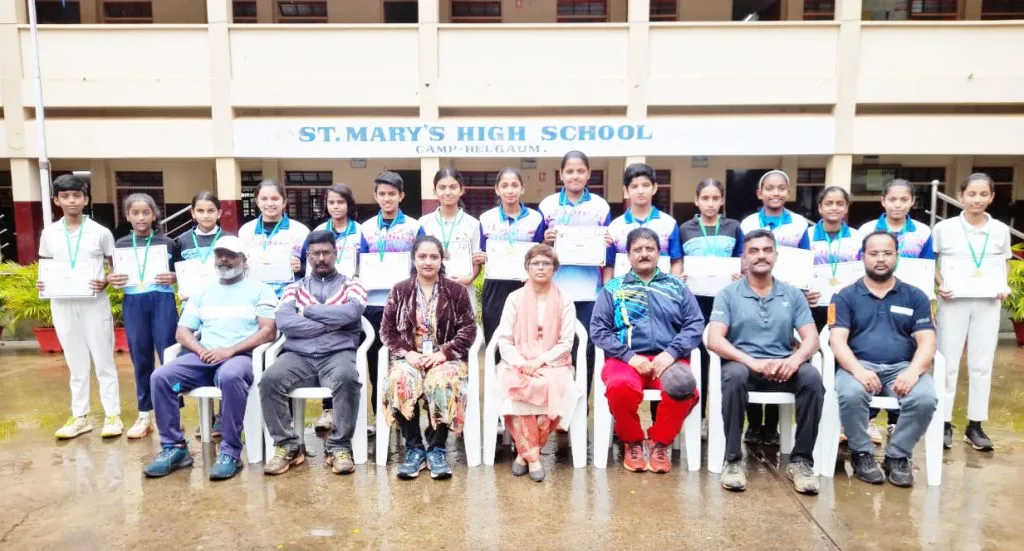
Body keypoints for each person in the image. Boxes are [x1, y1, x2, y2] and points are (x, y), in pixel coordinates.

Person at [144, 236, 277, 481]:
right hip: (203, 357)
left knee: (230, 376)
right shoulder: (203, 291)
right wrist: (198, 348)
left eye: (231, 255)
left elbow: (268, 330)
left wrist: (230, 351)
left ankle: (230, 452)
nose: (225, 260)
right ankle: (174, 448)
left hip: (240, 357)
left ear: (243, 260)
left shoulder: (261, 289)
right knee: (161, 377)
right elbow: (182, 331)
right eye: (220, 255)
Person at [707, 229, 823, 494]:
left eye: (767, 250)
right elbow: (715, 339)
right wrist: (752, 363)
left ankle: (802, 461)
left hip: (784, 367)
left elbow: (811, 338)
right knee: (733, 376)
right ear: (744, 258)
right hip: (745, 367)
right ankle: (733, 460)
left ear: (776, 255)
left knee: (812, 378)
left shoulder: (792, 294)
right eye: (754, 251)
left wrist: (795, 360)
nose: (761, 256)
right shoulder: (728, 294)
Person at [590, 228, 704, 474]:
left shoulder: (676, 286)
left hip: (669, 359)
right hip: (625, 359)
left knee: (685, 388)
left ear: (659, 253)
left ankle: (660, 442)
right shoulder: (613, 288)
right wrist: (630, 357)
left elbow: (695, 324)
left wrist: (672, 353)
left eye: (649, 249)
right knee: (619, 386)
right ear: (628, 255)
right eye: (638, 250)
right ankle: (632, 441)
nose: (644, 254)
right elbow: (599, 330)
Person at [830, 231, 938, 487]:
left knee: (925, 398)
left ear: (897, 256)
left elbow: (928, 341)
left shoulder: (916, 296)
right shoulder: (845, 296)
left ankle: (897, 456)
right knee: (851, 394)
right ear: (862, 257)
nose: (881, 259)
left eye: (887, 253)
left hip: (901, 367)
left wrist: (913, 372)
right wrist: (858, 370)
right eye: (874, 253)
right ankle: (862, 453)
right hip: (858, 366)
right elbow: (837, 340)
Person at [261, 230, 368, 476]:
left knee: (347, 379)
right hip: (298, 356)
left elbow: (351, 314)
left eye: (326, 252)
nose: (321, 258)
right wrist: (331, 323)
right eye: (315, 253)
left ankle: (339, 446)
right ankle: (287, 446)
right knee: (270, 380)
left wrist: (308, 311)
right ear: (307, 256)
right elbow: (285, 322)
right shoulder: (293, 288)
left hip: (337, 354)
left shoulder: (352, 284)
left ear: (335, 253)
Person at [380, 236, 477, 481]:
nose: (428, 262)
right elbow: (387, 331)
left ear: (441, 259)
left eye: (434, 256)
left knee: (442, 382)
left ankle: (436, 448)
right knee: (400, 379)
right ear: (413, 259)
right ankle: (414, 448)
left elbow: (469, 329)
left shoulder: (455, 290)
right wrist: (408, 353)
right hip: (409, 358)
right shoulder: (400, 290)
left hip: (445, 359)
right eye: (422, 256)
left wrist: (442, 354)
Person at [37, 174, 122, 440]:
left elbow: (115, 268)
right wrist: (43, 283)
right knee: (75, 362)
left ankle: (112, 414)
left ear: (85, 199)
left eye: (76, 195)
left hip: (93, 302)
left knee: (103, 359)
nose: (71, 200)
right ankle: (80, 416)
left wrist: (106, 281)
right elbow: (46, 266)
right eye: (65, 196)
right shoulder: (49, 233)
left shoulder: (100, 232)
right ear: (56, 200)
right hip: (61, 303)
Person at [934, 173, 1012, 452]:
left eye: (983, 194)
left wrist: (1002, 285)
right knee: (948, 362)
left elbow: (1003, 263)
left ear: (991, 197)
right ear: (960, 195)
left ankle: (975, 424)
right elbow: (931, 260)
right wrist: (941, 285)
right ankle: (943, 423)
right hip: (953, 300)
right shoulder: (945, 229)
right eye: (972, 194)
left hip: (988, 302)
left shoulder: (1000, 230)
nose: (977, 199)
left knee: (982, 363)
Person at [494, 244, 581, 482]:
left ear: (555, 269)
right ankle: (533, 456)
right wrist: (522, 362)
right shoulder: (514, 298)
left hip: (554, 362)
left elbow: (566, 342)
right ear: (527, 268)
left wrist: (540, 360)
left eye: (546, 264)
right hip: (517, 361)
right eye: (535, 263)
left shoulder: (565, 300)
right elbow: (505, 338)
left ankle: (525, 455)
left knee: (560, 389)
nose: (540, 268)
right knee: (514, 387)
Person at [738, 170, 811, 447]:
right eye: (769, 188)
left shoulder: (800, 224)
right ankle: (755, 425)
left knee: (783, 350)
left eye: (781, 188)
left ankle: (773, 427)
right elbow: (741, 257)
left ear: (788, 192)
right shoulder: (748, 223)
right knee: (752, 350)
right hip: (754, 292)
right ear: (760, 193)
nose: (775, 193)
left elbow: (807, 260)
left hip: (788, 298)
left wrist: (804, 289)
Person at [857, 178, 934, 434]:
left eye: (904, 199)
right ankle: (867, 420)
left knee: (904, 352)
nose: (897, 205)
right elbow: (859, 264)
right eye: (892, 199)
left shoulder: (922, 232)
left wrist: (930, 299)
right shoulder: (867, 229)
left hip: (909, 303)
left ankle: (895, 421)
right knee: (872, 348)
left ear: (912, 201)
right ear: (883, 201)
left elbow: (929, 266)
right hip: (873, 297)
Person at [107, 193, 179, 440]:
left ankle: (173, 415)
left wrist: (175, 277)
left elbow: (182, 274)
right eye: (135, 213)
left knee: (169, 356)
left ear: (154, 214)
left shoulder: (168, 243)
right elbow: (114, 276)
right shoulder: (121, 245)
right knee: (140, 358)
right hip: (134, 302)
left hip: (162, 301)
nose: (140, 217)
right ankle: (144, 414)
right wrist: (113, 279)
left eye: (145, 212)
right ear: (127, 216)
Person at [540, 151, 612, 395]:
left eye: (581, 171)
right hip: (554, 291)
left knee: (587, 350)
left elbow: (608, 255)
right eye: (569, 171)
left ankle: (582, 406)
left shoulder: (600, 206)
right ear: (561, 174)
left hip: (589, 293)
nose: (575, 176)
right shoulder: (547, 206)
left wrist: (607, 244)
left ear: (589, 174)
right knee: (554, 349)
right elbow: (537, 253)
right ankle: (558, 413)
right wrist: (545, 240)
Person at [360, 171, 425, 421]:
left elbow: (420, 260)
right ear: (375, 196)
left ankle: (407, 416)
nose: (387, 199)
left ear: (401, 196)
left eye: (392, 194)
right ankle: (381, 417)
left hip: (405, 304)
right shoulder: (366, 229)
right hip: (374, 305)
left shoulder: (414, 226)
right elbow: (360, 264)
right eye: (382, 194)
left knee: (406, 359)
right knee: (377, 363)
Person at [678, 178, 744, 420]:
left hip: (726, 303)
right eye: (705, 198)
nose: (710, 203)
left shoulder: (733, 227)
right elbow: (678, 262)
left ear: (722, 200)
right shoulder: (685, 229)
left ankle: (722, 416)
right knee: (699, 359)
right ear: (696, 200)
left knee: (725, 357)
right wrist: (681, 276)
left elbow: (742, 259)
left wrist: (740, 273)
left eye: (715, 198)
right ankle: (700, 417)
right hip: (695, 303)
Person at [301, 183, 363, 432]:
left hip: (350, 293)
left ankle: (352, 411)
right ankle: (328, 410)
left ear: (349, 204)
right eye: (331, 202)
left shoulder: (360, 231)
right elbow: (309, 267)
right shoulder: (318, 231)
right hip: (320, 293)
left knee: (348, 358)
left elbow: (366, 262)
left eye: (341, 202)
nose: (336, 207)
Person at [478, 168, 546, 341]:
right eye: (505, 185)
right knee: (495, 334)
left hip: (525, 284)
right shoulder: (486, 218)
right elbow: (482, 251)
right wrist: (480, 257)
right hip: (495, 284)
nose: (510, 190)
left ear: (522, 189)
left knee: (526, 335)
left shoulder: (536, 218)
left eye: (515, 185)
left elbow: (539, 252)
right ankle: (494, 366)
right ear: (497, 189)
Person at [603, 163, 682, 283]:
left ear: (654, 188)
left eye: (646, 185)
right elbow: (609, 265)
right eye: (634, 186)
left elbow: (676, 261)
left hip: (661, 294)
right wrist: (609, 292)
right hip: (625, 296)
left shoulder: (669, 224)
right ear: (626, 190)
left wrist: (674, 289)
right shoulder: (615, 226)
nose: (640, 191)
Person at [420, 168, 483, 312]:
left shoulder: (473, 224)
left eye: (453, 187)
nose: (447, 192)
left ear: (461, 190)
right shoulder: (424, 223)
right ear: (434, 191)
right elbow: (419, 258)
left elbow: (476, 261)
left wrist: (469, 278)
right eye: (442, 187)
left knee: (463, 332)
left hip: (463, 291)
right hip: (431, 291)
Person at [238, 180, 310, 297]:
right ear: (257, 202)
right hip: (255, 294)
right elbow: (239, 262)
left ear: (284, 202)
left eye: (275, 199)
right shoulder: (245, 230)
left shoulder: (300, 230)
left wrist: (300, 268)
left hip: (289, 295)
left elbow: (311, 265)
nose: (269, 203)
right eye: (264, 199)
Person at [804, 186, 862, 331]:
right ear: (820, 207)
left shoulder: (858, 237)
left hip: (847, 303)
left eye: (840, 203)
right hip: (814, 303)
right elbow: (798, 270)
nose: (834, 208)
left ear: (846, 208)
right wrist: (803, 293)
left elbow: (862, 270)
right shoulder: (806, 235)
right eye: (829, 203)